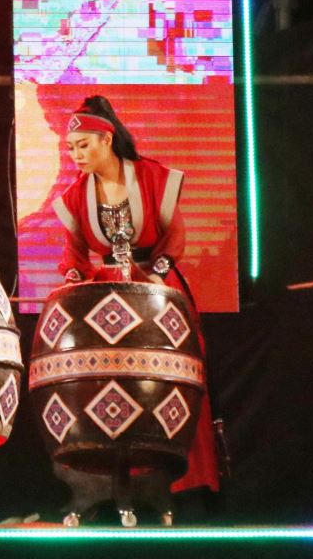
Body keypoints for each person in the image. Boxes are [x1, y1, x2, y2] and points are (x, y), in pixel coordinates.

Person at [56, 95, 220, 493]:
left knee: (174, 375)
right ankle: (117, 479)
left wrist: (158, 275)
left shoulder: (151, 177)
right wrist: (75, 280)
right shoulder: (75, 196)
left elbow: (174, 234)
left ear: (106, 139)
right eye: (72, 148)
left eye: (84, 146)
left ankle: (183, 479)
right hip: (106, 293)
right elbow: (74, 254)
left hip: (157, 285)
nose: (76, 155)